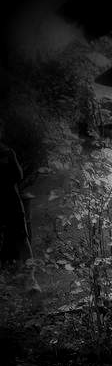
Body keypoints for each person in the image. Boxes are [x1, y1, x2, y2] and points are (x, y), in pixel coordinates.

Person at [0, 119, 35, 280]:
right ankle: (29, 278)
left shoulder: (8, 152)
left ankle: (31, 278)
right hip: (10, 200)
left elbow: (19, 175)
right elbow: (18, 176)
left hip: (11, 201)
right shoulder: (7, 152)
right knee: (22, 238)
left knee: (22, 237)